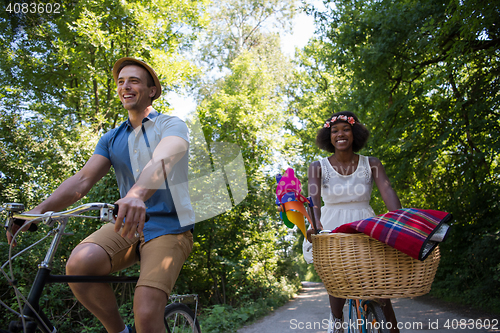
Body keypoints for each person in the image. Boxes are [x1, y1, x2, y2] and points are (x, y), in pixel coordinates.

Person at [7, 57, 195, 333]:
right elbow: (82, 181)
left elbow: (163, 161)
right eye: (120, 82)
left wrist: (136, 195)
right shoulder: (111, 138)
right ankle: (119, 331)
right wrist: (38, 210)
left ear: (152, 90)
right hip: (128, 226)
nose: (125, 87)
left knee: (145, 313)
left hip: (170, 227)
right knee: (80, 263)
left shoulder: (171, 125)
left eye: (133, 81)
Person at [303, 111, 401, 333]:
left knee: (379, 284)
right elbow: (314, 200)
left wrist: (401, 218)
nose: (340, 134)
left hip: (366, 224)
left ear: (355, 133)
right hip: (332, 226)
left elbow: (386, 189)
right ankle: (337, 323)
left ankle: (391, 328)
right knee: (336, 279)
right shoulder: (317, 167)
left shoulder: (372, 163)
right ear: (328, 137)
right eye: (334, 130)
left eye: (345, 129)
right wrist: (315, 225)